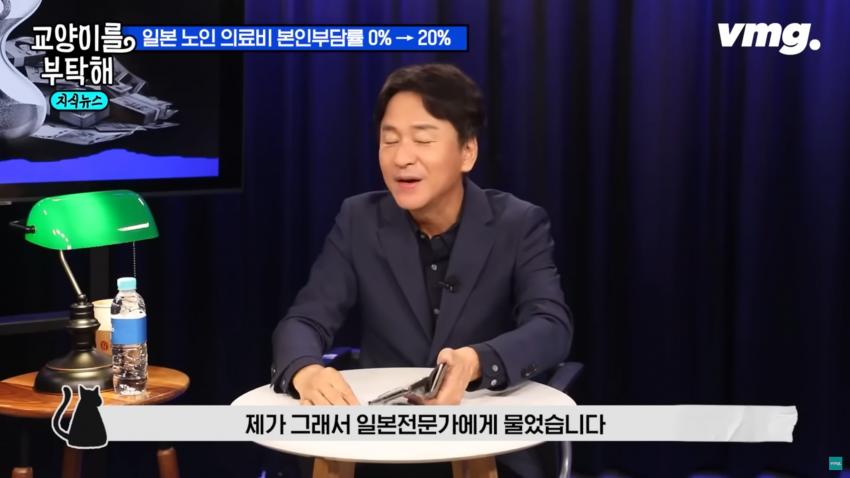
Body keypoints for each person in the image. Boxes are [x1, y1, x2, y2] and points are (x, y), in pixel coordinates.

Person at [271, 63, 573, 478]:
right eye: (389, 140)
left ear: (467, 152)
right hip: (380, 448)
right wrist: (305, 370)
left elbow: (552, 326)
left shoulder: (518, 224)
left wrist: (478, 361)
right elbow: (305, 319)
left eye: (424, 139)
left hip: (483, 440)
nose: (402, 158)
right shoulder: (359, 219)